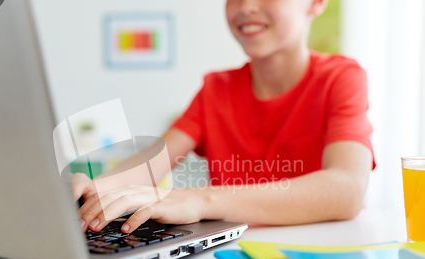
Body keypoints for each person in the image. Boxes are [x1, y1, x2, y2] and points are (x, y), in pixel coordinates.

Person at [73, 0, 374, 234]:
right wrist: (93, 188)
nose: (245, 7)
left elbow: (347, 188)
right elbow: (151, 163)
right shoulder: (216, 89)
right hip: (232, 258)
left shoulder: (340, 78)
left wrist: (201, 199)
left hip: (317, 255)